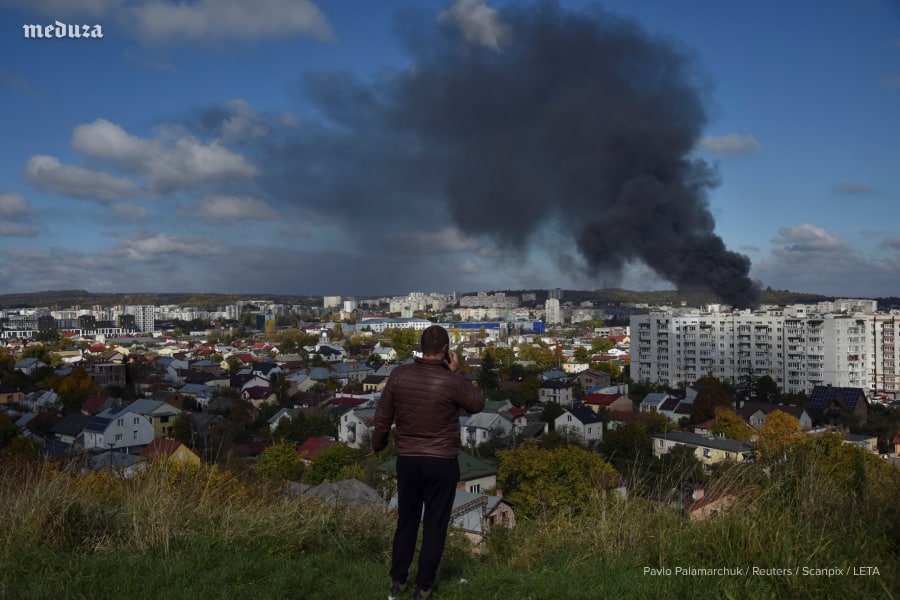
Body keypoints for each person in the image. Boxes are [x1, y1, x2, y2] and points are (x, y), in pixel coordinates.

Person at [372, 325, 485, 600]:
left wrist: (377, 445)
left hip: (409, 459)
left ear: (420, 348)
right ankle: (423, 588)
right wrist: (457, 372)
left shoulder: (399, 375)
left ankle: (397, 582)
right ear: (446, 351)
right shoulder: (451, 380)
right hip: (441, 461)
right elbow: (477, 404)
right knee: (435, 524)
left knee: (407, 521)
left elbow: (383, 418)